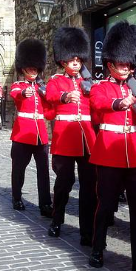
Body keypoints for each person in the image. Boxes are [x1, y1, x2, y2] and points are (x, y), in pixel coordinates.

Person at [88, 22, 136, 271]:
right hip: (109, 154)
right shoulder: (101, 86)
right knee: (105, 205)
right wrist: (120, 103)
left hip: (135, 154)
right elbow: (100, 103)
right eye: (121, 63)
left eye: (129, 63)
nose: (126, 67)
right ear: (111, 63)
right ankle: (97, 247)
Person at [45, 27, 97, 244]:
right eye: (71, 59)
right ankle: (57, 220)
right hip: (65, 138)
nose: (76, 62)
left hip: (86, 139)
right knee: (64, 183)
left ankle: (87, 231)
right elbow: (50, 96)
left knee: (88, 186)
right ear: (63, 61)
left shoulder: (88, 82)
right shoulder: (56, 81)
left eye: (78, 59)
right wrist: (66, 96)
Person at [9, 38, 53, 217]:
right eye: (29, 68)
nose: (33, 71)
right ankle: (17, 197)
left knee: (43, 172)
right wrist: (24, 93)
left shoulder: (43, 88)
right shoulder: (18, 86)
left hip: (40, 135)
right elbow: (16, 94)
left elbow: (49, 113)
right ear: (23, 69)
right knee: (19, 169)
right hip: (22, 135)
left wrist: (50, 98)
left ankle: (45, 204)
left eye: (35, 68)